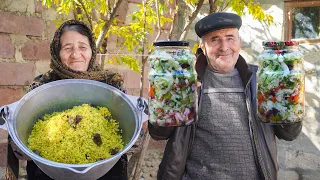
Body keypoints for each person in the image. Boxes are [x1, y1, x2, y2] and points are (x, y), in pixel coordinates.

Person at [148, 12, 302, 180]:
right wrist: (170, 102)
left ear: (239, 42)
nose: (224, 47)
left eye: (230, 38)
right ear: (203, 46)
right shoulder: (187, 82)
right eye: (214, 39)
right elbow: (159, 134)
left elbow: (289, 134)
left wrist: (290, 100)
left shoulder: (261, 80)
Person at [9, 19, 144, 180]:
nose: (75, 54)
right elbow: (19, 146)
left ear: (92, 51)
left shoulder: (111, 84)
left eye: (82, 47)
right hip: (50, 174)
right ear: (57, 52)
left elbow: (135, 140)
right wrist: (26, 147)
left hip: (105, 173)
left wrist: (135, 136)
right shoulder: (42, 86)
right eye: (67, 48)